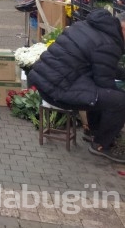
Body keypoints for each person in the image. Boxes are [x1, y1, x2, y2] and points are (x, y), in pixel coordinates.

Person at [28, 10, 125, 163]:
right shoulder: (108, 43)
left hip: (48, 82)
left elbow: (103, 67)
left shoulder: (88, 26)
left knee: (102, 93)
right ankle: (101, 144)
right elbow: (105, 82)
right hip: (58, 91)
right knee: (119, 101)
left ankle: (93, 132)